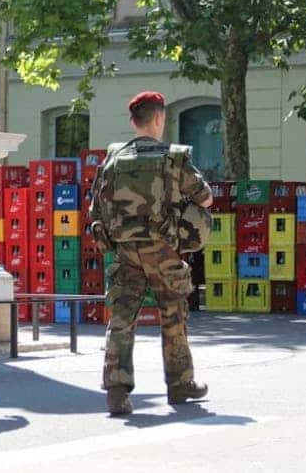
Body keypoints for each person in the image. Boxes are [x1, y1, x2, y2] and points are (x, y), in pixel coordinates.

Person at [89, 91, 213, 416]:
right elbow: (206, 198)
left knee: (122, 318)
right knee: (173, 314)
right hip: (163, 249)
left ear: (133, 121)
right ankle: (180, 384)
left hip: (126, 250)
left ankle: (117, 390)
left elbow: (96, 206)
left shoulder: (113, 157)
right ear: (160, 119)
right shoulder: (174, 157)